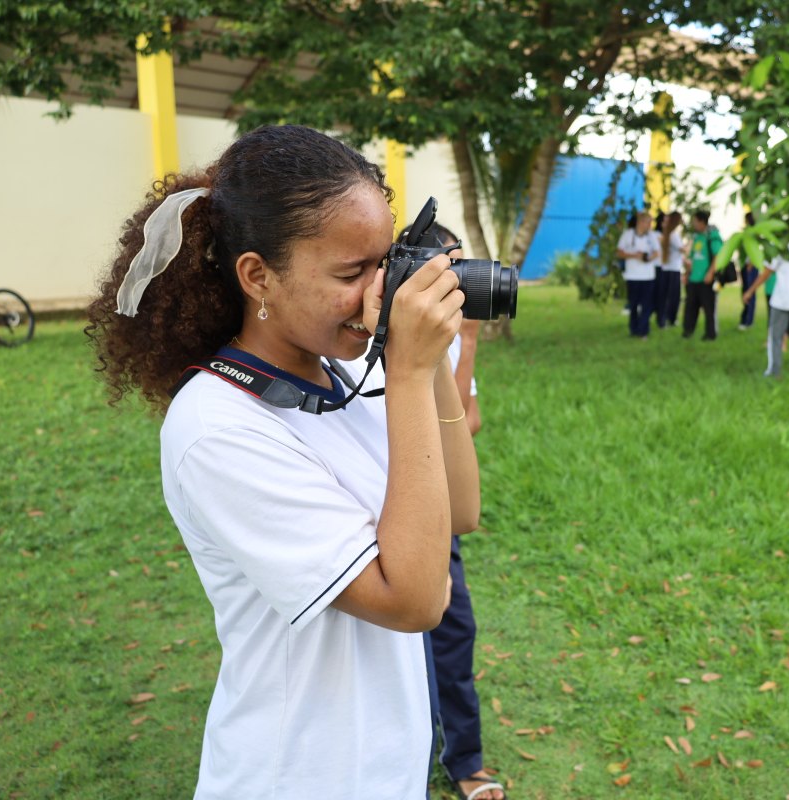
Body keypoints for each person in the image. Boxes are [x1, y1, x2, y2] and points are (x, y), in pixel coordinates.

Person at [86, 125, 481, 799]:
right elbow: (416, 599)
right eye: (351, 273)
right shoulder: (217, 427)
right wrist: (412, 373)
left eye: (385, 264)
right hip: (298, 775)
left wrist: (426, 364)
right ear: (257, 275)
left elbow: (462, 514)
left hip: (384, 766)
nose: (376, 293)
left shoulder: (343, 373)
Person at [403, 221, 504, 800]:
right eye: (450, 268)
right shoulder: (391, 336)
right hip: (395, 504)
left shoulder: (444, 335)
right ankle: (411, 759)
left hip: (443, 506)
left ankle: (465, 759)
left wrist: (461, 345)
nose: (462, 282)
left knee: (454, 630)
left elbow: (468, 424)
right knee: (405, 637)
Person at [741, 242, 789, 377]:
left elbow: (767, 271)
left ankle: (774, 371)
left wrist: (750, 291)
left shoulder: (780, 248)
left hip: (782, 301)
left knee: (775, 336)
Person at [616, 210, 660, 338]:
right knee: (633, 304)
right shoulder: (628, 235)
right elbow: (619, 252)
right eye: (648, 222)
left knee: (646, 305)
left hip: (648, 276)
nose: (649, 225)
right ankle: (633, 329)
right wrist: (634, 255)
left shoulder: (651, 236)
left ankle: (643, 330)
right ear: (640, 222)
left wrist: (647, 258)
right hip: (633, 276)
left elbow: (657, 252)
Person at [681, 210, 719, 340]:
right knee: (690, 307)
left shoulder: (712, 236)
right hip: (694, 279)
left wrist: (710, 273)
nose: (693, 224)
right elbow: (692, 258)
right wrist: (687, 273)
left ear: (702, 222)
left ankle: (710, 334)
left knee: (709, 309)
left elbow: (718, 256)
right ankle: (688, 331)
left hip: (706, 279)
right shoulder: (696, 237)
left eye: (695, 221)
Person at [654, 210, 685, 329]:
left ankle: (663, 319)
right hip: (673, 270)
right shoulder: (673, 235)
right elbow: (683, 250)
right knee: (672, 297)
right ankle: (669, 319)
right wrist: (691, 244)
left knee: (664, 296)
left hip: (666, 268)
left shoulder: (666, 234)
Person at [737, 211, 760, 331]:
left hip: (751, 266)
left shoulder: (753, 233)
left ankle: (748, 321)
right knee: (745, 292)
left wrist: (751, 263)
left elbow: (754, 249)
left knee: (750, 293)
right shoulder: (746, 232)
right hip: (745, 265)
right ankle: (745, 318)